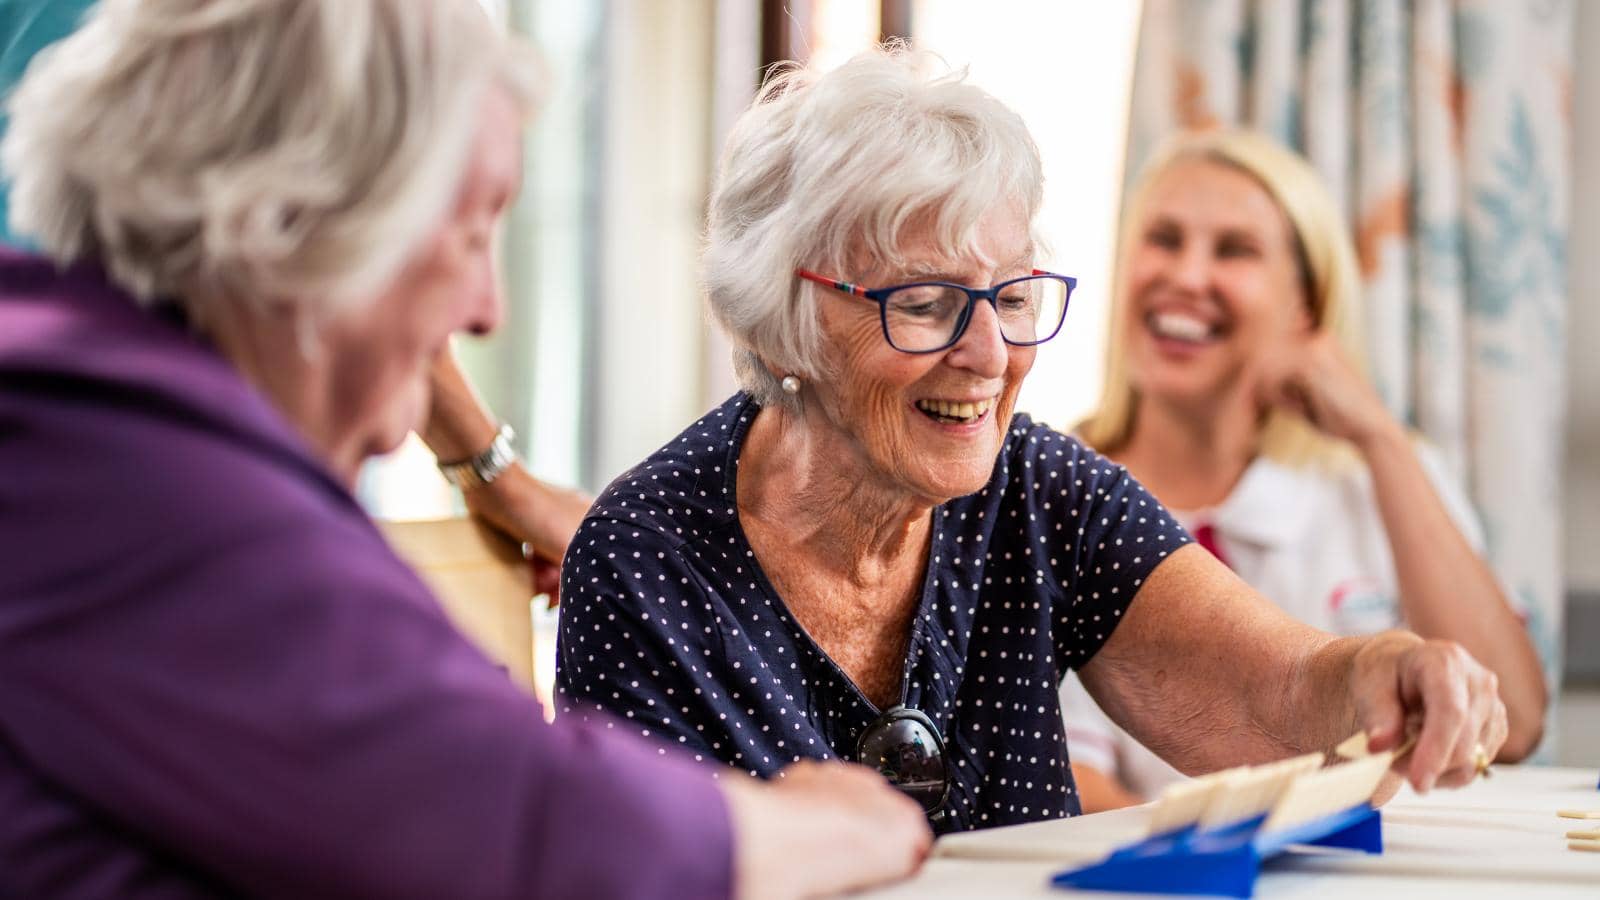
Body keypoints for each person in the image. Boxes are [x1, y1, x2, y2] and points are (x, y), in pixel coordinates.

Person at [423, 45, 1509, 835]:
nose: (990, 353)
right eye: (930, 302)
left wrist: (1382, 676)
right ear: (789, 319)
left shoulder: (1037, 486)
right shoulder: (649, 560)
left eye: (1011, 295)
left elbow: (1271, 695)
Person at [0, 2, 929, 897]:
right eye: (474, 228)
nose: (488, 308)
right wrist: (832, 824)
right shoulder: (126, 473)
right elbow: (505, 818)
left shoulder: (98, 414)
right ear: (303, 221)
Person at [1061, 130, 1548, 811]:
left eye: (1234, 250)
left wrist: (1380, 438)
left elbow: (1514, 726)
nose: (1186, 275)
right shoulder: (1058, 496)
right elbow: (1072, 779)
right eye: (1164, 239)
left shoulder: (1377, 478)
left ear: (1305, 306)